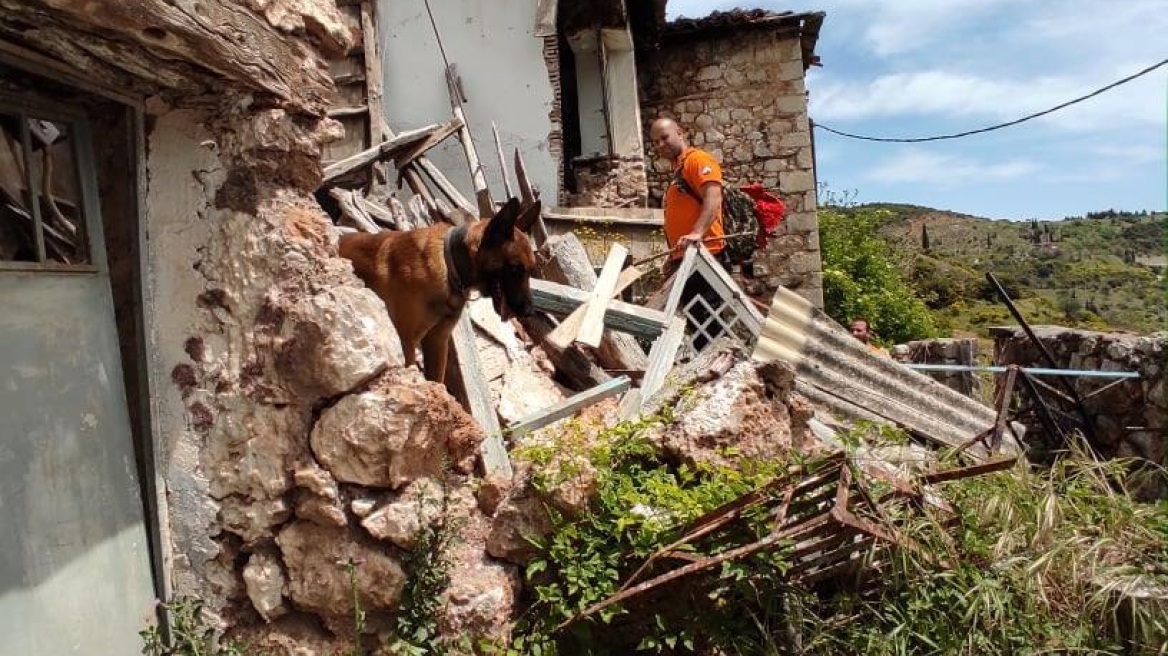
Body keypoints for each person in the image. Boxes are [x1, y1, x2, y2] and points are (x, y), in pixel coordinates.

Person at [649, 117, 729, 350]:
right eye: (655, 142)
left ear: (680, 133)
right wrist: (673, 256)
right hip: (685, 258)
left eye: (665, 138)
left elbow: (713, 198)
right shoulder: (678, 171)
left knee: (709, 321)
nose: (660, 145)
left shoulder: (698, 160)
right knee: (697, 321)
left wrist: (697, 233)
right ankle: (708, 370)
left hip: (706, 255)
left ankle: (720, 372)